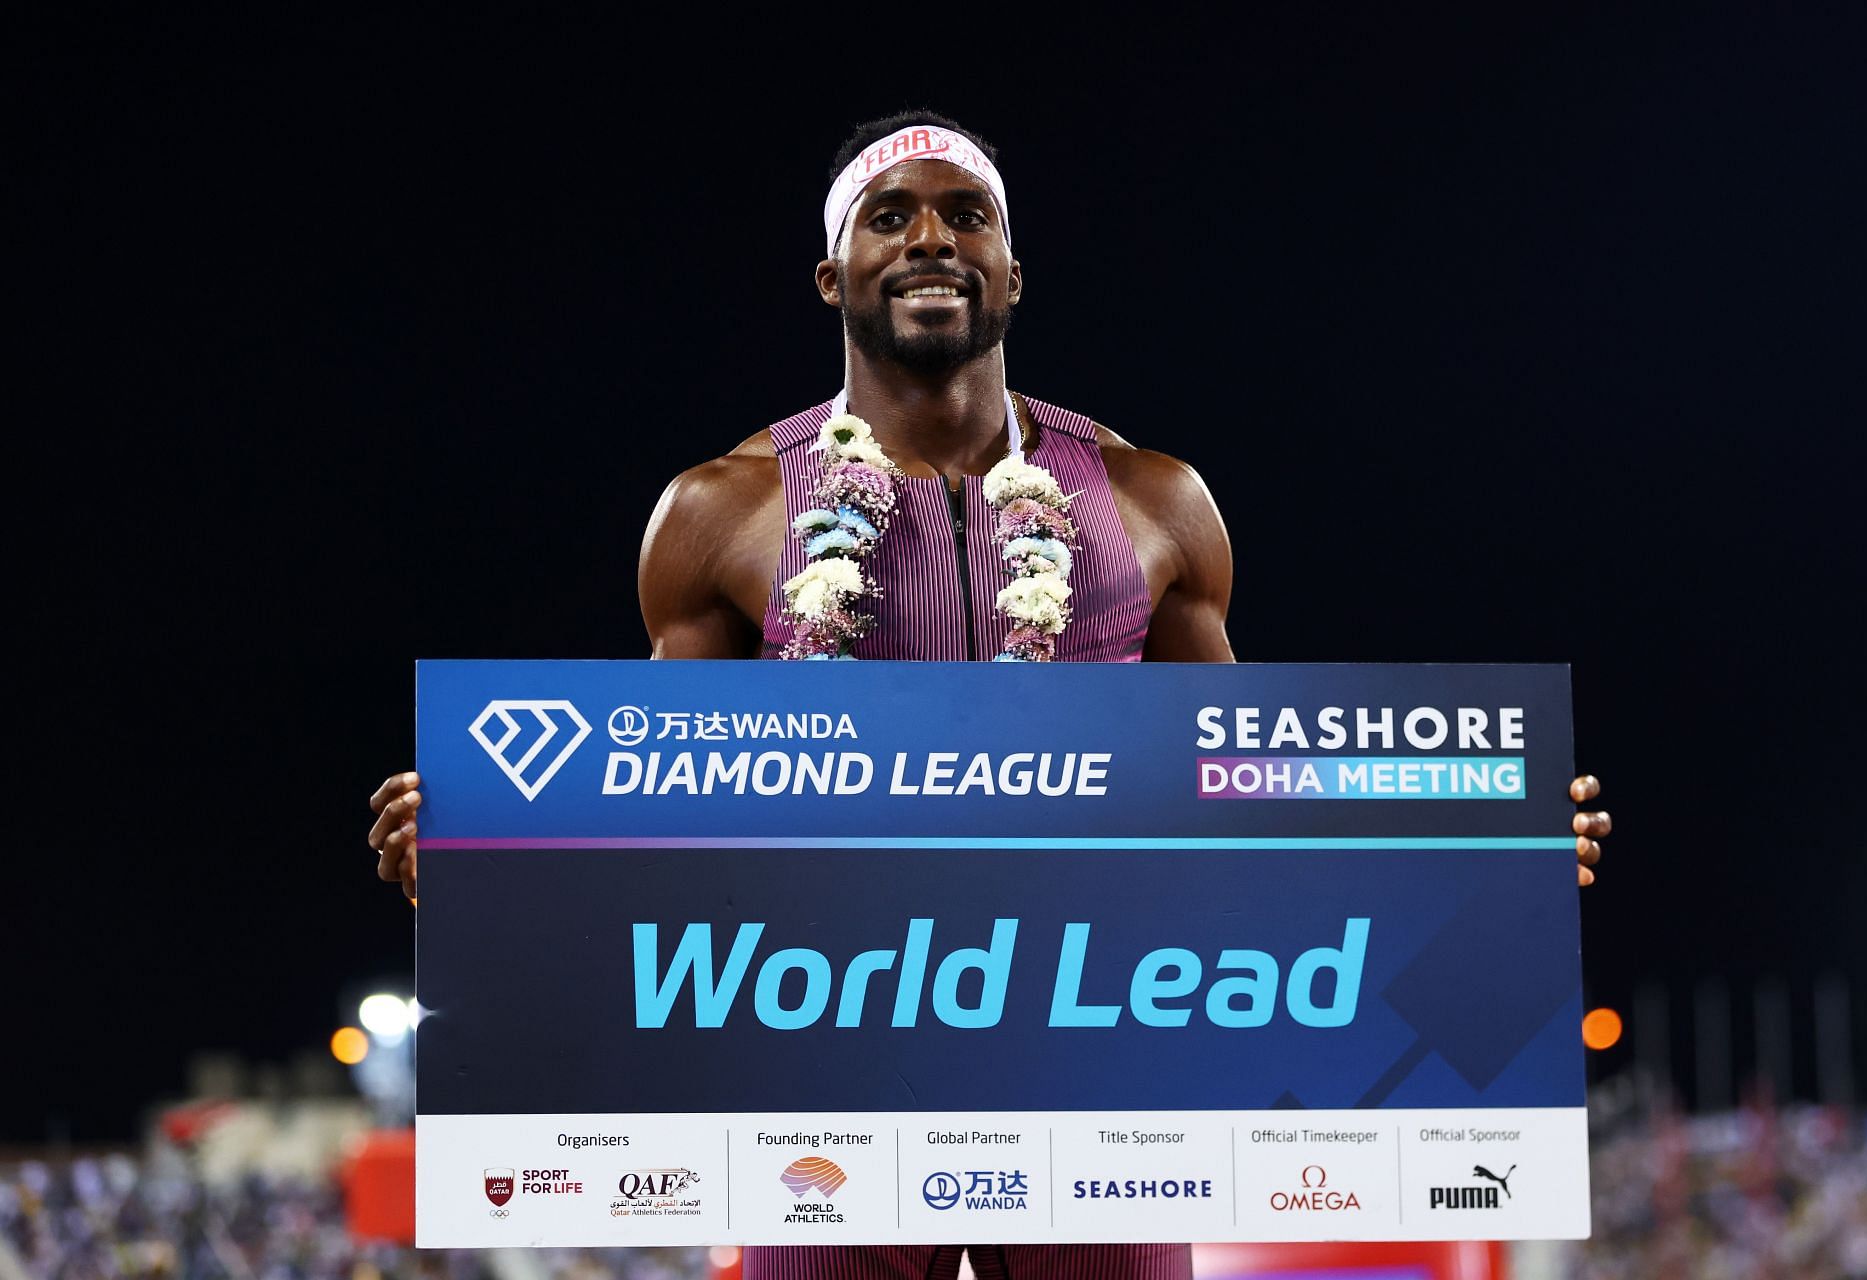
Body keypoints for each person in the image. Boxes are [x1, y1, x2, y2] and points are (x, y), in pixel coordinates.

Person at [368, 112, 1611, 1280]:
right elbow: (654, 811)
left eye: (967, 216)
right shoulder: (724, 511)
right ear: (830, 273)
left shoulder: (1149, 499)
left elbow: (1239, 791)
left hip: (1100, 1091)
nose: (929, 240)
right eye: (889, 214)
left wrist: (1476, 850)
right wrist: (495, 859)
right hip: (826, 1089)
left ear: (1012, 273)